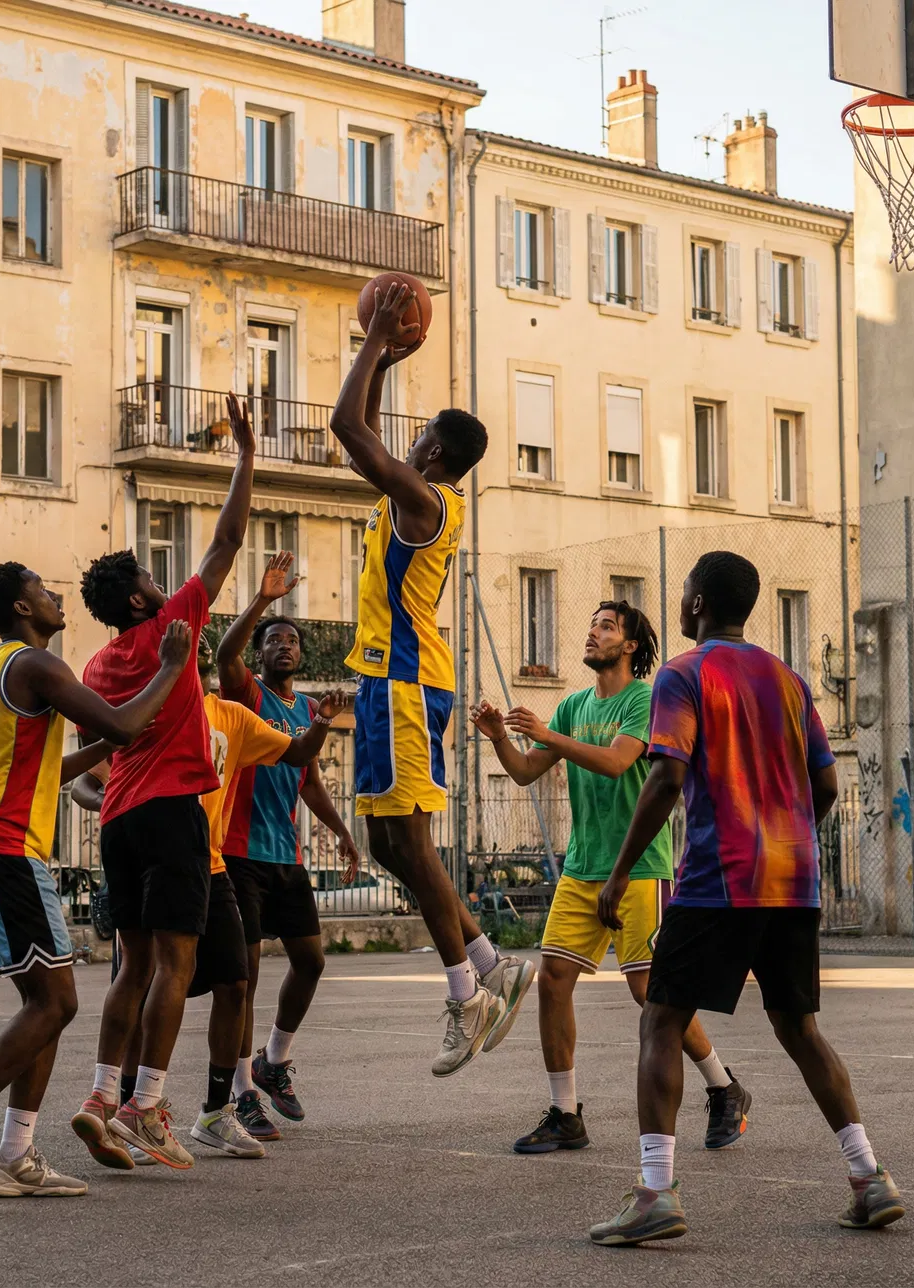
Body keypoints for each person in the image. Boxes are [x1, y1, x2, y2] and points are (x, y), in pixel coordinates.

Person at [588, 553, 903, 1247]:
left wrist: (618, 875)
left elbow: (667, 776)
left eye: (682, 594)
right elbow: (823, 787)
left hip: (718, 882)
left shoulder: (684, 673)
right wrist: (784, 834)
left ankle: (655, 1191)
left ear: (696, 603)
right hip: (792, 885)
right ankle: (869, 1177)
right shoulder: (789, 682)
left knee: (662, 1022)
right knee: (800, 1029)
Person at [0, 562, 192, 1210]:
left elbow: (50, 766)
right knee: (56, 1002)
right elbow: (117, 722)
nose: (56, 594)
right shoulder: (37, 665)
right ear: (22, 608)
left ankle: (16, 1157)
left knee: (45, 1003)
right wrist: (171, 668)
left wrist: (106, 752)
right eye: (42, 589)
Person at [331, 278, 531, 1076]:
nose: (402, 443)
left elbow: (346, 427)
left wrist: (377, 338)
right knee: (387, 845)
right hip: (392, 682)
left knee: (409, 841)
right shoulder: (411, 496)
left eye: (415, 437)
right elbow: (367, 426)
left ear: (434, 456)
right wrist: (384, 358)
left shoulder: (428, 503)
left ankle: (465, 995)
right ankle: (488, 966)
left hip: (411, 685)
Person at [474, 601, 751, 1155]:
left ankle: (725, 1088)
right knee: (553, 980)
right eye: (592, 622)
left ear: (628, 645)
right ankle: (565, 1113)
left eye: (605, 626)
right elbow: (527, 773)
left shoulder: (645, 699)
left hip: (640, 867)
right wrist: (500, 739)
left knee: (648, 989)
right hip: (582, 867)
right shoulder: (575, 705)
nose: (592, 631)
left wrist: (548, 735)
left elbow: (618, 762)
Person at [68, 394, 255, 1171]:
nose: (161, 576)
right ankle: (147, 1105)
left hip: (118, 819)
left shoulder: (97, 664)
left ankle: (99, 1096)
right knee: (178, 966)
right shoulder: (174, 623)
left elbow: (91, 751)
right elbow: (226, 539)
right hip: (176, 810)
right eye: (151, 571)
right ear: (143, 597)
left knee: (132, 964)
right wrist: (245, 456)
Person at [73, 649, 343, 1162]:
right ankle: (123, 1104)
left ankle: (216, 1112)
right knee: (140, 979)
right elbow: (87, 779)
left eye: (195, 667)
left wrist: (324, 720)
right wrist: (113, 799)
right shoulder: (149, 713)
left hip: (209, 861)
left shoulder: (230, 716)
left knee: (234, 981)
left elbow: (297, 753)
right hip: (151, 851)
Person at [215, 551, 366, 1136]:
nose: (284, 645)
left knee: (311, 961)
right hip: (237, 854)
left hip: (286, 857)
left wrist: (342, 830)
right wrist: (263, 602)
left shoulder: (306, 709)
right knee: (245, 976)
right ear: (260, 653)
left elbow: (309, 782)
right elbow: (226, 653)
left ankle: (273, 1061)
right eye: (274, 640)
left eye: (291, 641)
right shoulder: (244, 692)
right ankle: (242, 1091)